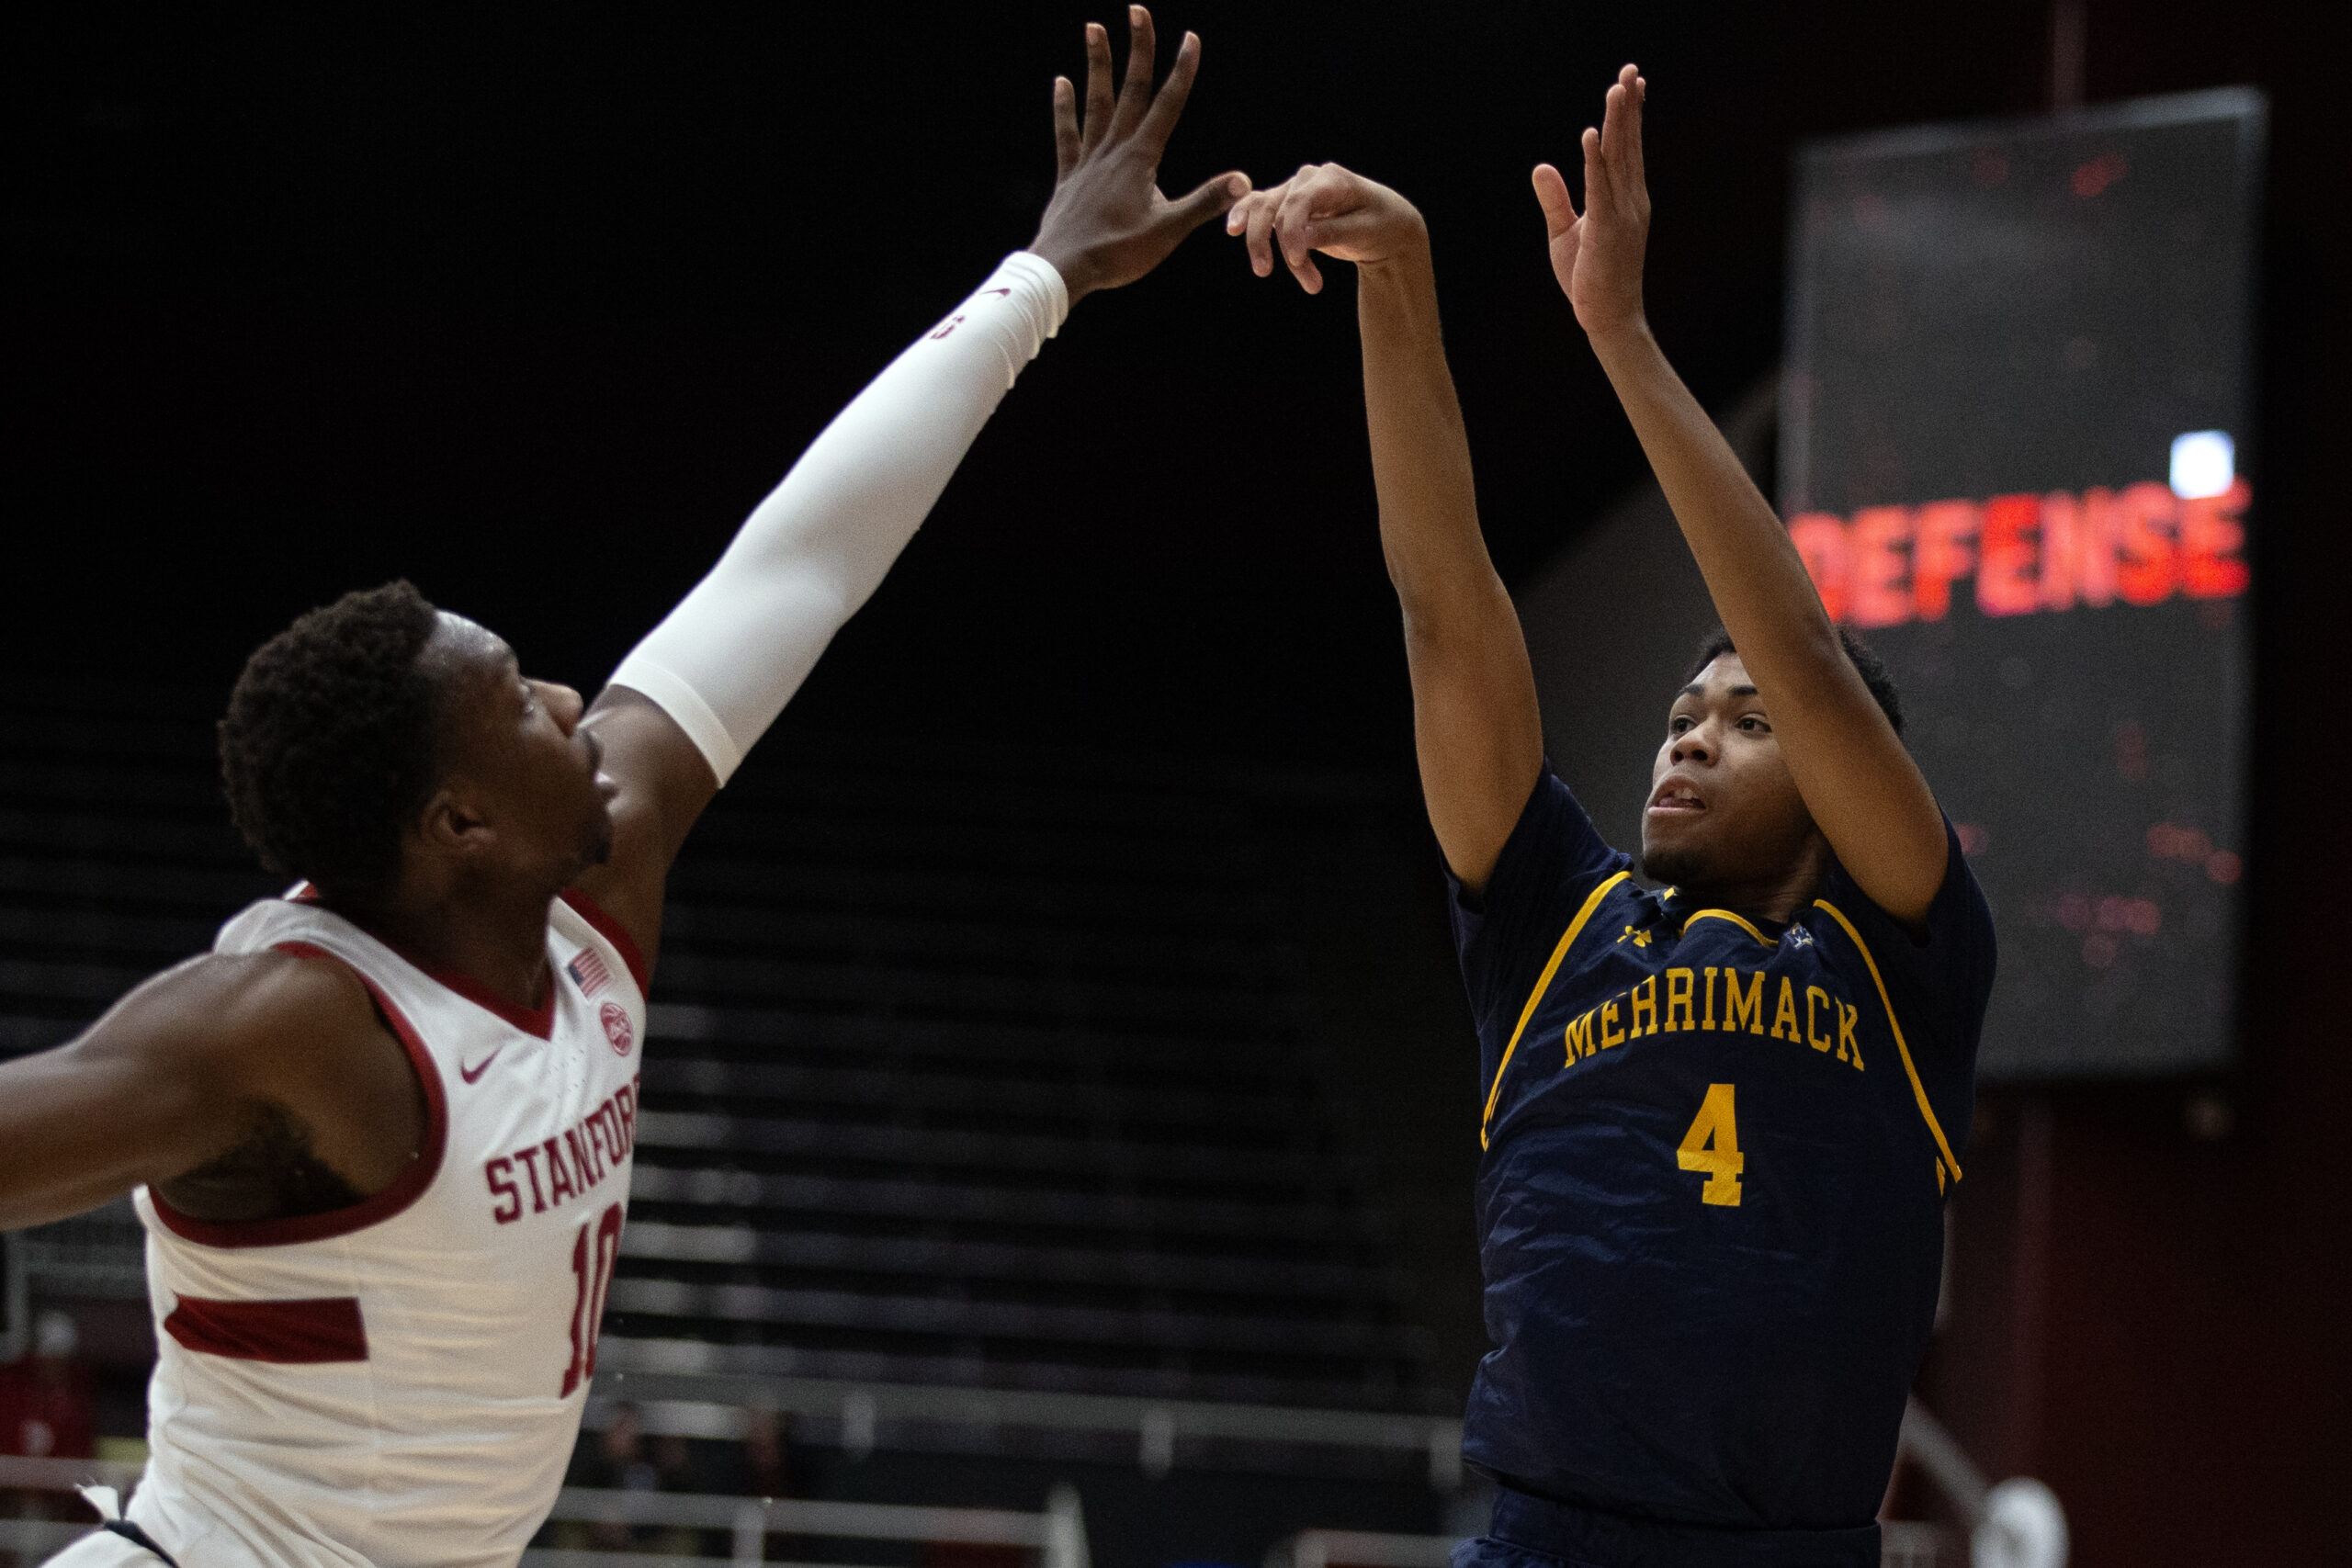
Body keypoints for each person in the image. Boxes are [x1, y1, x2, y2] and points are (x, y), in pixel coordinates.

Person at [0, 12, 1245, 1564]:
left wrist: (1042, 282)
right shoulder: (290, 1027)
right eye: (520, 699)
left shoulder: (595, 879)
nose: (574, 702)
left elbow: (798, 561)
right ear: (458, 822)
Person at [1227, 65, 1992, 1568]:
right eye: (1679, 722)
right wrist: (1400, 285)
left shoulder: (1904, 965)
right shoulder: (1553, 923)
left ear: (1838, 801)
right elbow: (1450, 610)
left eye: (1744, 726)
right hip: (1541, 1542)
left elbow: (1815, 666)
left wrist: (1623, 340)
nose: (1691, 744)